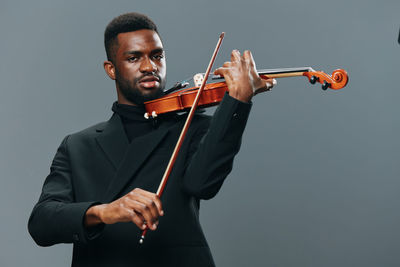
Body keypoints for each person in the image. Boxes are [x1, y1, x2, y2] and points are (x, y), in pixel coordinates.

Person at [28, 12, 276, 267]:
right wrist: (104, 211)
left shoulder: (194, 127)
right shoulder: (78, 145)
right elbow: (41, 223)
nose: (150, 66)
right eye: (134, 57)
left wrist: (237, 100)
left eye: (157, 55)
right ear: (111, 69)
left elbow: (202, 184)